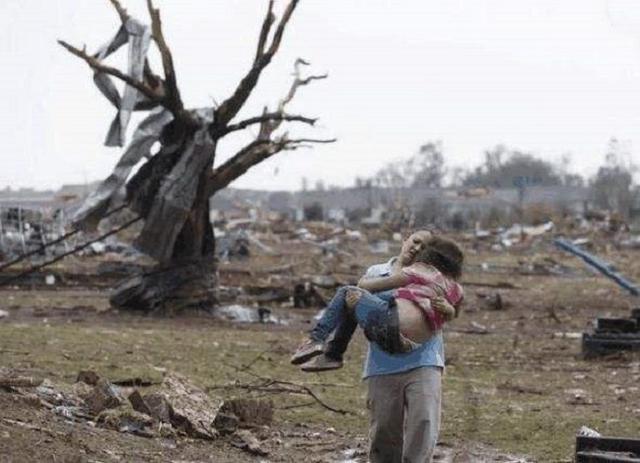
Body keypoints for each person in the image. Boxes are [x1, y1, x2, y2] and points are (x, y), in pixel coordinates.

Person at [301, 230, 454, 463]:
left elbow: (450, 309)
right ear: (404, 240)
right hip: (382, 364)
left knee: (423, 424)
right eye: (415, 242)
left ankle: (325, 348)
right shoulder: (376, 272)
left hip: (424, 361)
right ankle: (325, 349)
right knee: (384, 431)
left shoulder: (436, 276)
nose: (416, 248)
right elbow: (362, 308)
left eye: (424, 247)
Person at [290, 236, 464, 363]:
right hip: (411, 345)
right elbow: (451, 314)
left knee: (346, 293)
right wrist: (448, 309)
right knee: (374, 299)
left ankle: (318, 341)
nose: (418, 251)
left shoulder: (420, 270)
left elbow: (369, 287)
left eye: (423, 249)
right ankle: (332, 355)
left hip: (393, 328)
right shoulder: (455, 288)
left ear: (430, 256)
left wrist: (361, 289)